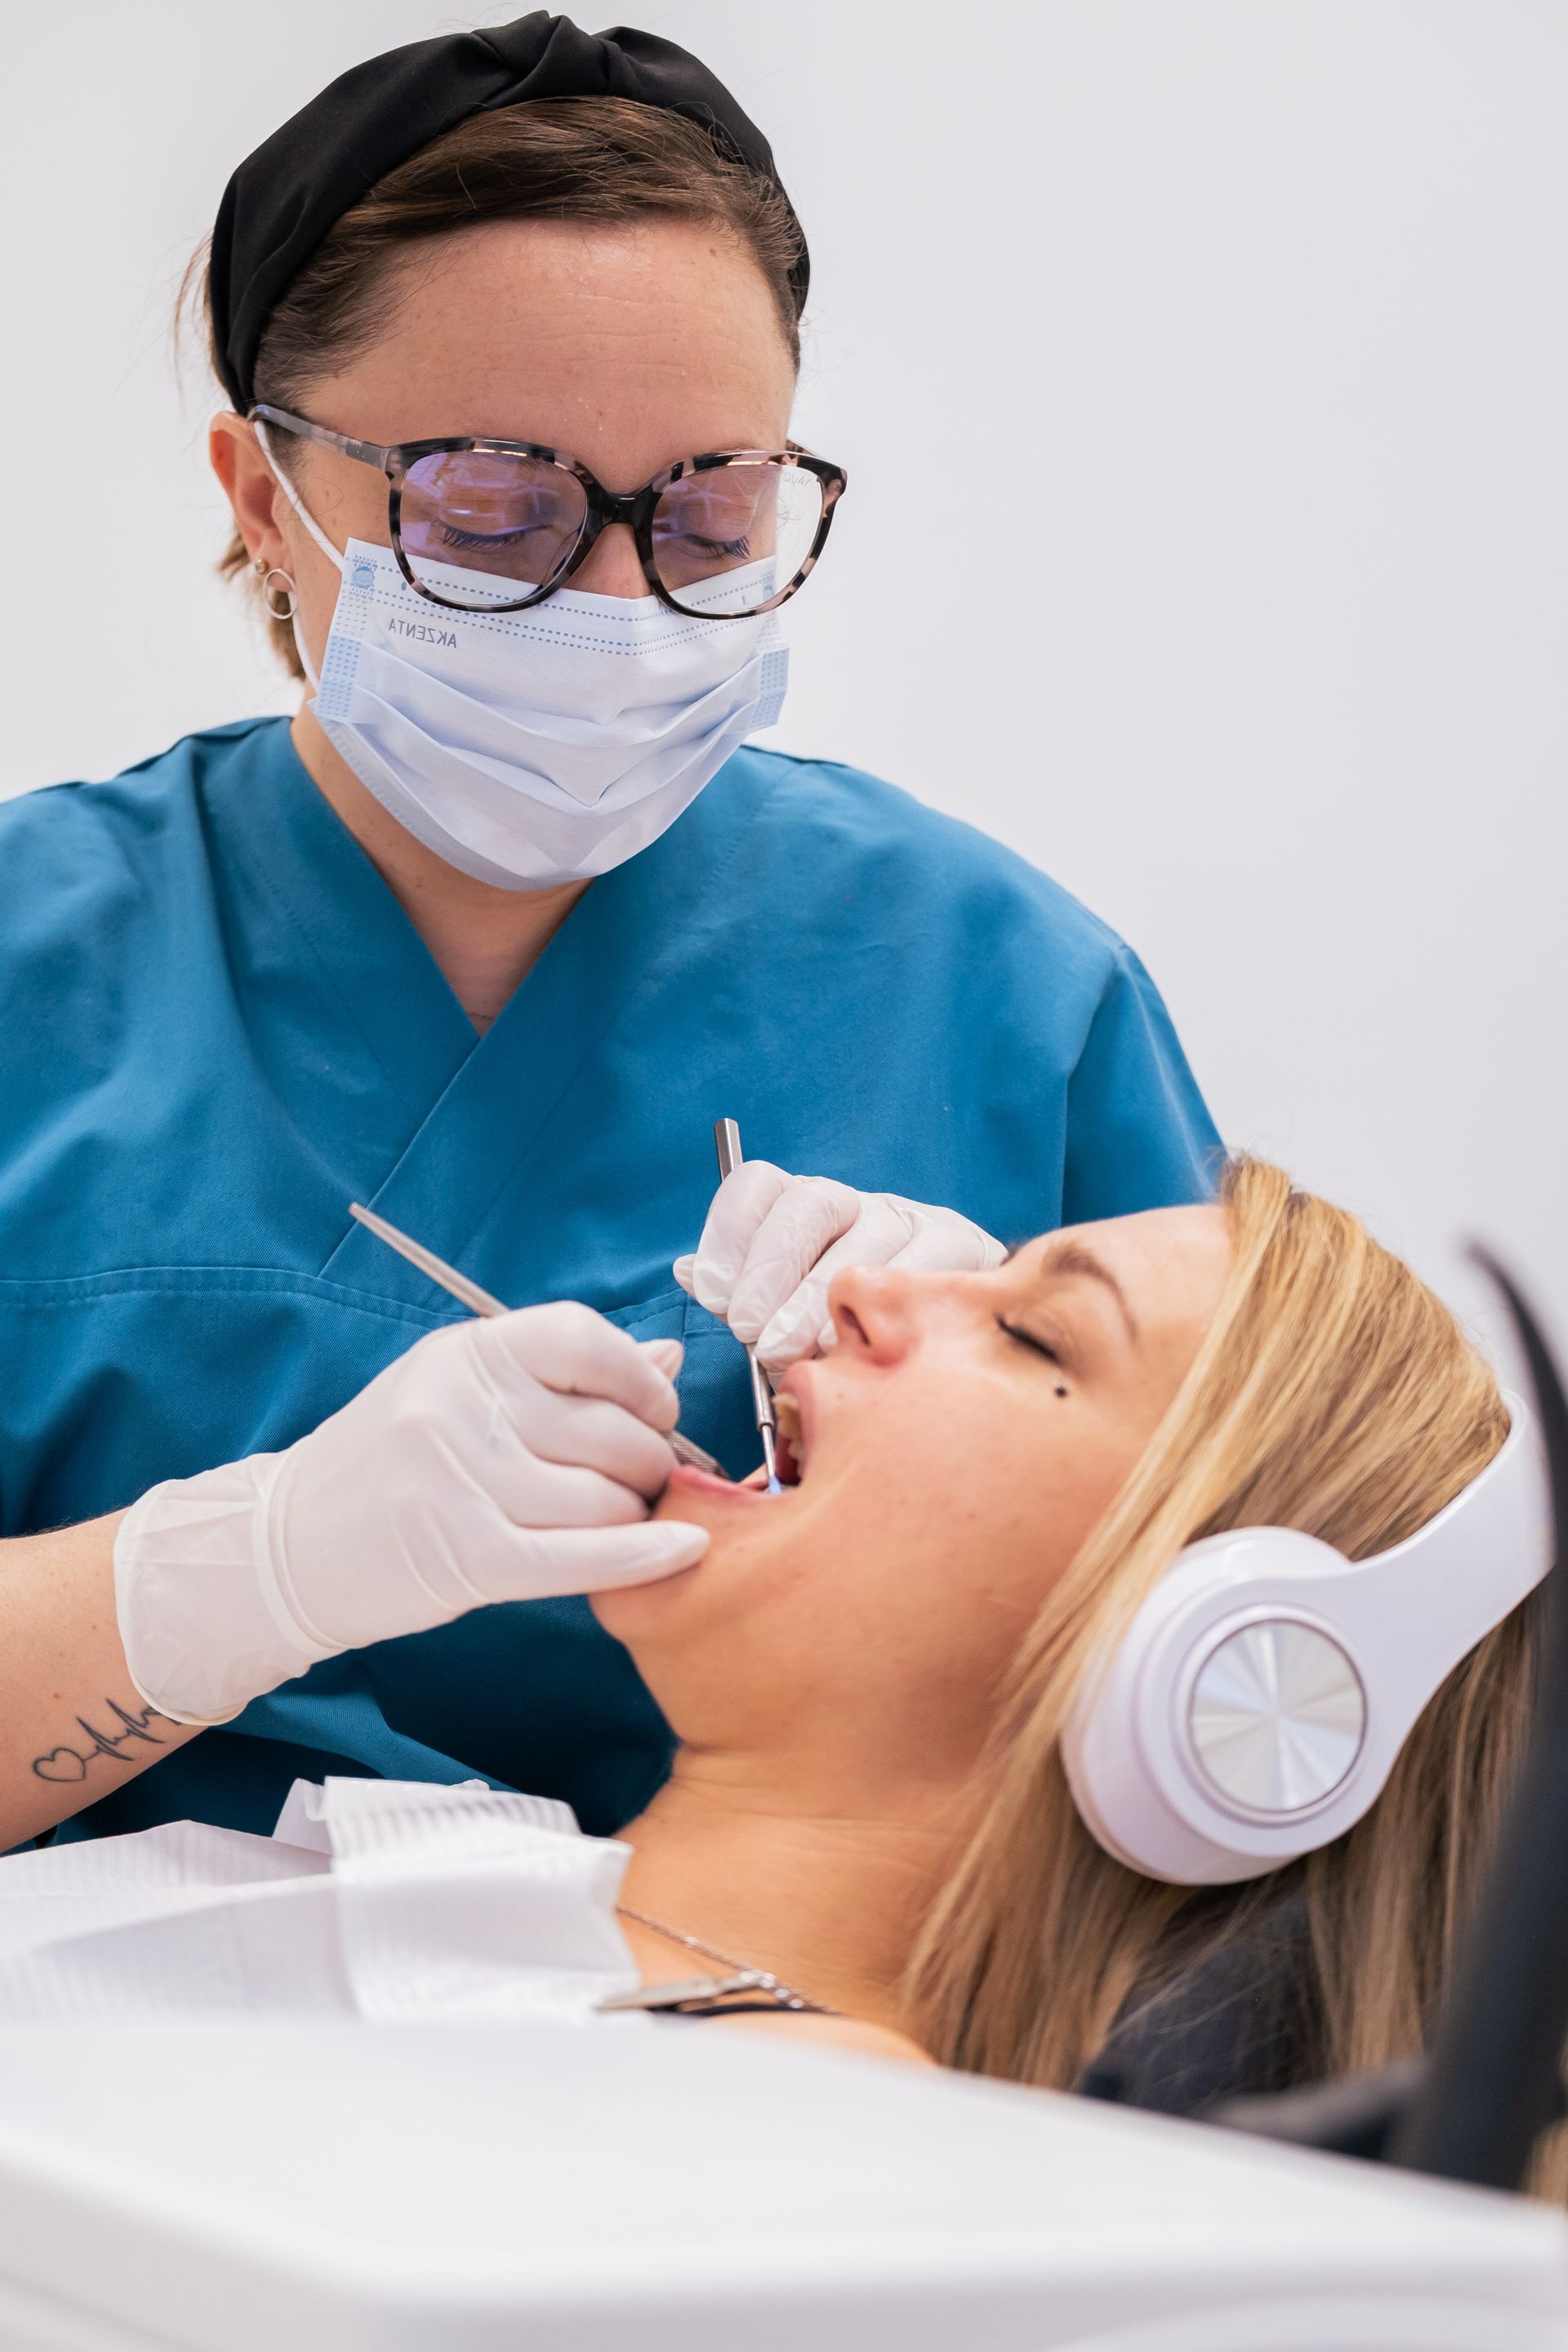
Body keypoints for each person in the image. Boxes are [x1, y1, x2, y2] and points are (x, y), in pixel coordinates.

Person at [0, 16, 1217, 1858]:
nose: (618, 603)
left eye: (712, 510)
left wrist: (1034, 1409)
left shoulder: (996, 992)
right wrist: (231, 1578)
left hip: (779, 2091)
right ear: (264, 501)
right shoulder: (37, 974)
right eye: (490, 511)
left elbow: (1248, 1730)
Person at [7, 1159, 1552, 2184]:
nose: (864, 1283)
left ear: (1211, 1681)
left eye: (1029, 1331)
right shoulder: (481, 1890)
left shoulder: (815, 2173)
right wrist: (235, 1565)